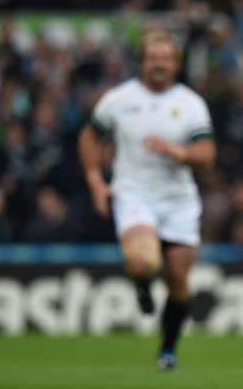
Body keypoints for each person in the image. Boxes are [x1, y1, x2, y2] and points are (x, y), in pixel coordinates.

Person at [78, 30, 216, 371]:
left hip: (179, 200)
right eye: (153, 58)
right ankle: (141, 282)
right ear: (142, 61)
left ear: (176, 64)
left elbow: (206, 154)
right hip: (133, 194)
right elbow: (89, 135)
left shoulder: (190, 104)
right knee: (144, 262)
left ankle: (168, 349)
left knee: (178, 282)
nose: (159, 64)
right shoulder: (118, 99)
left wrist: (176, 151)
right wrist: (96, 180)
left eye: (166, 58)